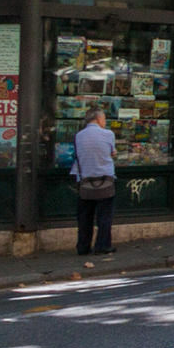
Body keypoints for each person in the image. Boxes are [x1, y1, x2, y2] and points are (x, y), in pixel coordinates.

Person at [71, 108, 118, 257]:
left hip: (85, 181)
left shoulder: (78, 136)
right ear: (98, 119)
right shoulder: (108, 134)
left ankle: (83, 246)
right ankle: (102, 245)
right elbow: (112, 152)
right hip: (105, 181)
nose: (105, 122)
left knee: (85, 217)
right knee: (104, 217)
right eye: (104, 119)